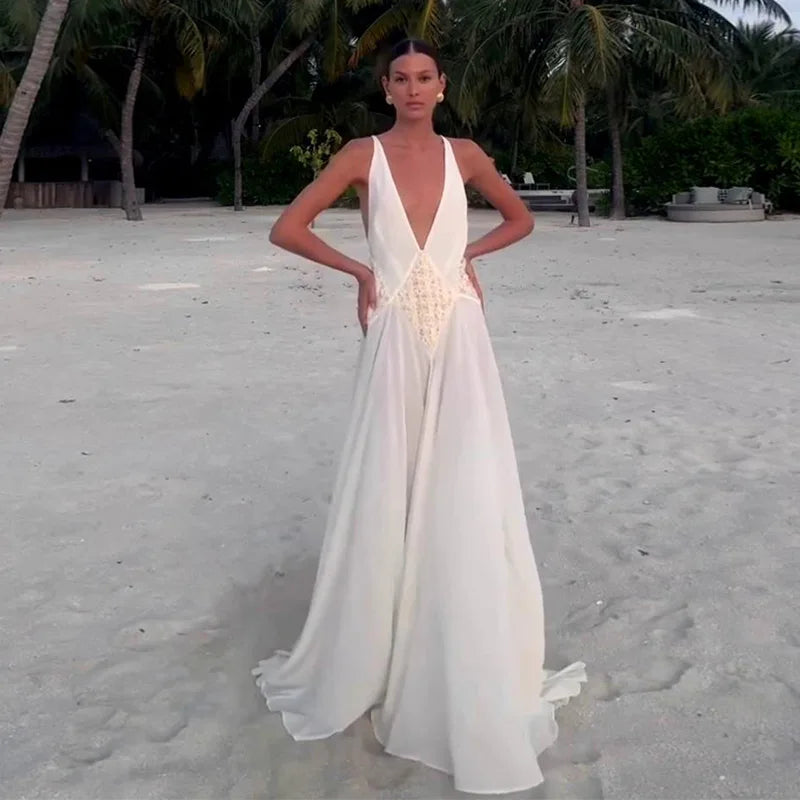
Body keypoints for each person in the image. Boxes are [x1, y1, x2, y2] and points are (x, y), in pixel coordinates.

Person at [252, 38, 586, 794]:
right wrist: (362, 271)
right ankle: (383, 641)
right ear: (385, 86)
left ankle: (456, 630)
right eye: (399, 78)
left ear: (442, 87)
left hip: (460, 330)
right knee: (392, 480)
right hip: (397, 331)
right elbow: (288, 228)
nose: (411, 88)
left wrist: (472, 259)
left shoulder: (465, 152)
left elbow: (520, 219)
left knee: (464, 478)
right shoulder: (358, 154)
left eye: (424, 78)